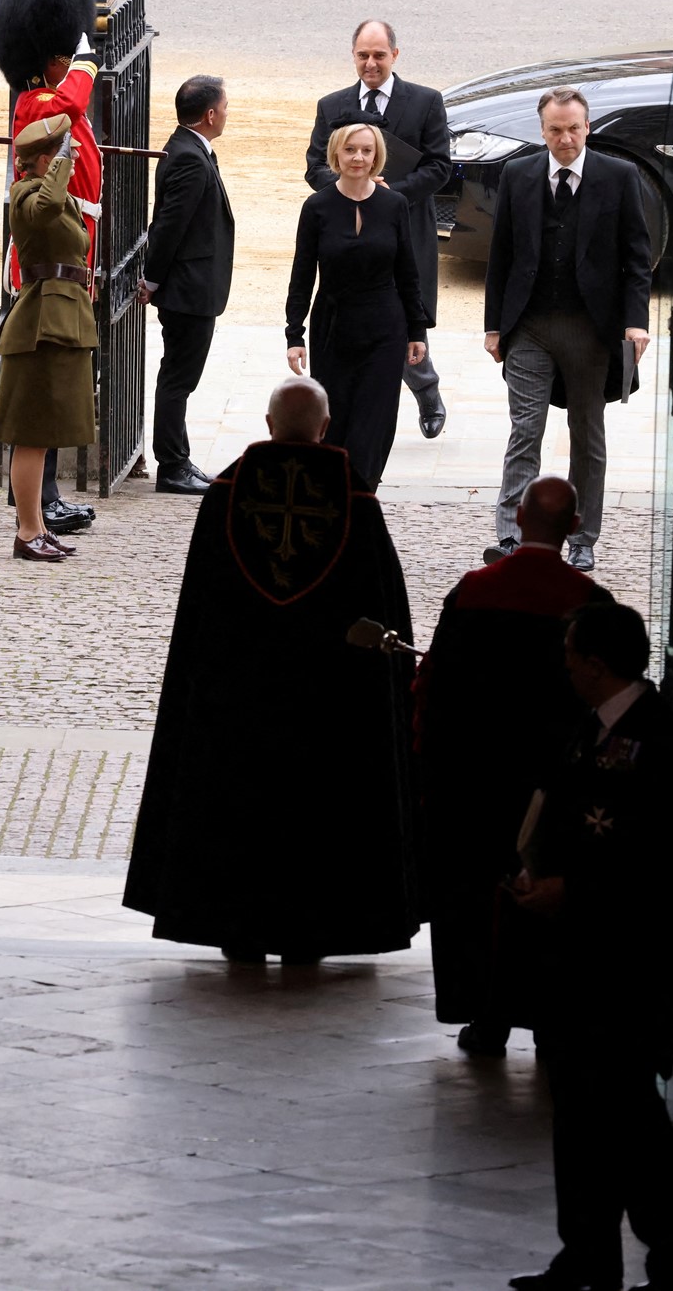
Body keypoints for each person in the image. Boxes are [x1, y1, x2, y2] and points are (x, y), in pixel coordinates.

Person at [123, 376, 420, 961]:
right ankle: (314, 930)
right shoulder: (355, 501)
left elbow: (201, 606)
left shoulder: (224, 497)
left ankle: (235, 925)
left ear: (266, 424)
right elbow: (381, 608)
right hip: (327, 698)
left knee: (239, 808)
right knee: (319, 815)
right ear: (325, 427)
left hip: (236, 695)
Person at [504, 603, 673, 1291]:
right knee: (581, 1113)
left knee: (626, 1115)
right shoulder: (591, 732)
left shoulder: (661, 743)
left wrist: (575, 891)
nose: (563, 664)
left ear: (597, 664)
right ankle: (588, 1251)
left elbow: (657, 862)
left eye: (571, 653)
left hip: (625, 960)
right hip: (576, 958)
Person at [411, 477, 611, 1058]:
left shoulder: (475, 592)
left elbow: (433, 688)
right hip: (555, 788)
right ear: (574, 527)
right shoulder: (589, 604)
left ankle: (485, 1014)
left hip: (475, 781)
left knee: (476, 895)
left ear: (518, 518)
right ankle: (551, 1017)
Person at [484, 87, 653, 573]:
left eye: (573, 128)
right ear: (541, 131)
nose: (565, 138)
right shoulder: (518, 174)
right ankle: (512, 536)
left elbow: (637, 258)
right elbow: (501, 256)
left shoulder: (619, 176)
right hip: (530, 325)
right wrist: (495, 326)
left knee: (587, 432)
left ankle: (582, 537)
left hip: (590, 327)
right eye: (555, 130)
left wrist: (634, 321)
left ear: (588, 126)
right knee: (525, 430)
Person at [0, 0, 101, 536]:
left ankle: (47, 497)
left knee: (58, 392)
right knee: (43, 394)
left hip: (71, 258)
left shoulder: (50, 101)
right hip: (43, 269)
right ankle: (40, 499)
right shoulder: (38, 104)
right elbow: (72, 107)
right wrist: (81, 67)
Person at [305, 18, 454, 440]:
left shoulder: (425, 102)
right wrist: (348, 190)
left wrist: (387, 195)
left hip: (402, 228)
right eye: (363, 56)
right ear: (353, 56)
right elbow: (314, 165)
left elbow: (440, 167)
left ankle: (426, 391)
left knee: (402, 311)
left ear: (395, 55)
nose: (371, 64)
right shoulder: (331, 106)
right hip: (345, 234)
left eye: (379, 56)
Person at [284, 121, 430, 491]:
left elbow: (408, 272)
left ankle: (363, 495)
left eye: (366, 150)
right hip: (333, 326)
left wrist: (417, 330)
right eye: (350, 150)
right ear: (336, 153)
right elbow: (302, 274)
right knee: (336, 419)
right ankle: (334, 495)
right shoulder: (316, 207)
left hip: (385, 328)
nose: (358, 157)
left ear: (377, 156)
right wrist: (294, 334)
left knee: (375, 422)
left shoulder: (395, 204)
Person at [0, 113, 98, 563]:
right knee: (31, 432)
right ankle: (28, 531)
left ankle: (35, 527)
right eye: (60, 155)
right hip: (41, 323)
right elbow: (45, 209)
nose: (70, 161)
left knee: (46, 431)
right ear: (41, 161)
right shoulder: (25, 196)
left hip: (63, 317)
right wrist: (59, 165)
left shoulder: (55, 195)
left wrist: (61, 162)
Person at [137, 75, 235, 497]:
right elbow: (169, 226)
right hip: (188, 291)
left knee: (179, 378)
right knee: (178, 379)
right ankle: (172, 465)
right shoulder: (190, 158)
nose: (227, 114)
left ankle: (178, 458)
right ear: (211, 114)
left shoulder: (190, 149)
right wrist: (152, 279)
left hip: (192, 287)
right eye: (225, 107)